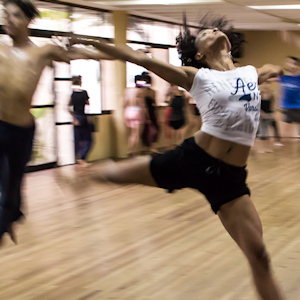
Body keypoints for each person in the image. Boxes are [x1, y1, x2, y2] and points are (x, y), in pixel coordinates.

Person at [71, 20, 284, 299]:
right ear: (199, 55)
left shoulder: (250, 72)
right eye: (205, 34)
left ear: (229, 42)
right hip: (192, 158)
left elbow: (275, 69)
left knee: (259, 255)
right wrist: (90, 43)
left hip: (228, 178)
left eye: (215, 30)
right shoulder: (196, 76)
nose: (213, 32)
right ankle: (85, 177)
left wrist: (284, 68)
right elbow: (136, 57)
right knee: (116, 174)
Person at [0, 0, 114, 243]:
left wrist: (88, 42)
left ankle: (10, 214)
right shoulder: (0, 50)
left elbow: (85, 53)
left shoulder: (43, 51)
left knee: (12, 189)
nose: (8, 20)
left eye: (15, 16)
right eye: (5, 15)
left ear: (28, 20)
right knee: (3, 188)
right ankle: (5, 219)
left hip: (21, 132)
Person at [69, 76, 94, 167]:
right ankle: (82, 158)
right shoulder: (84, 93)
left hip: (76, 116)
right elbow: (88, 105)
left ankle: (78, 158)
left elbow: (68, 107)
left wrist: (74, 118)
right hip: (83, 116)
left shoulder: (71, 94)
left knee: (78, 139)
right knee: (88, 139)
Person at [256, 82, 283, 153]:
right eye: (264, 84)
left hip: (269, 114)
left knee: (268, 132)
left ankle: (268, 148)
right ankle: (261, 148)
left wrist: (274, 112)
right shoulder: (259, 94)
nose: (265, 85)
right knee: (263, 132)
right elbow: (256, 104)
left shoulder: (271, 94)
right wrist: (261, 112)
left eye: (267, 84)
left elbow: (273, 104)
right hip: (261, 115)